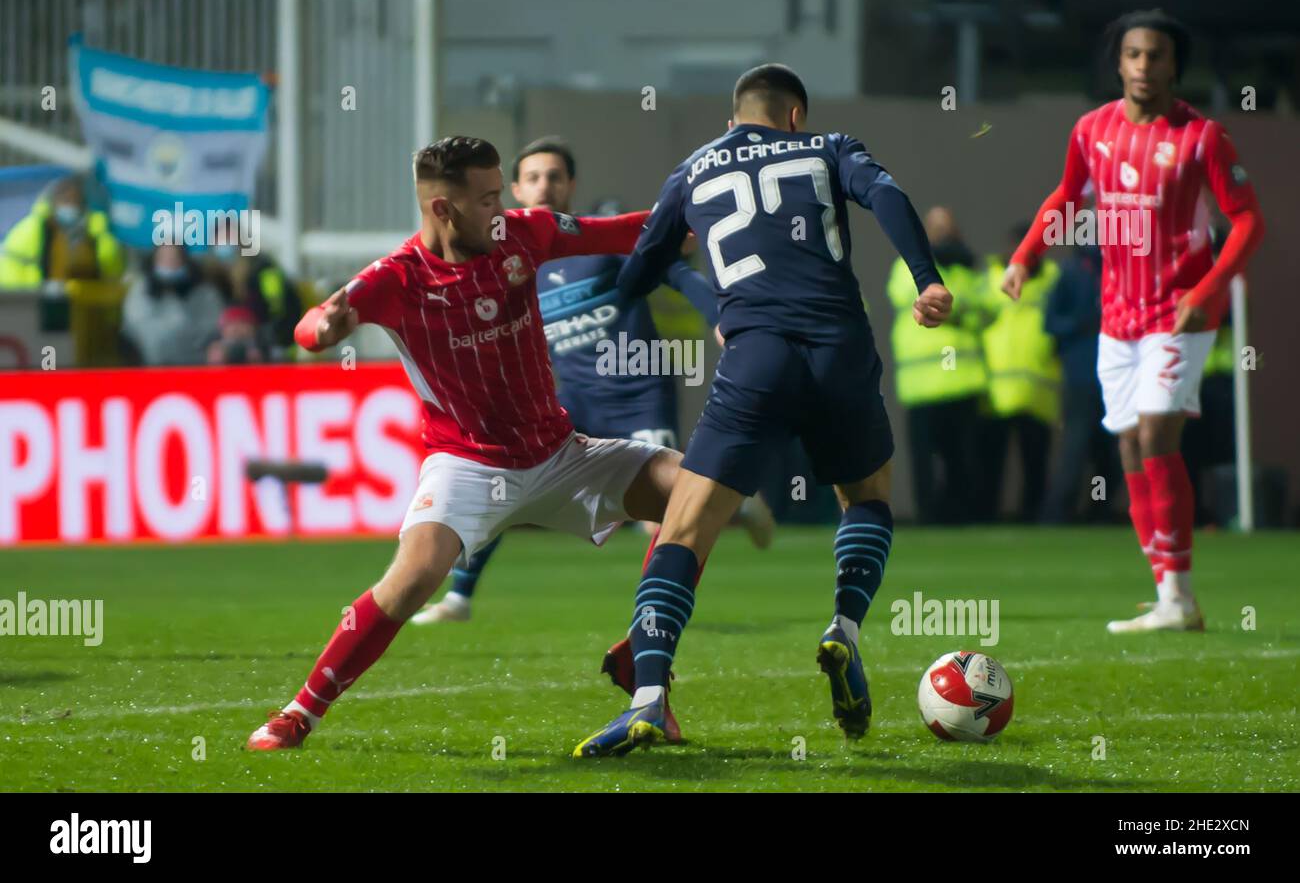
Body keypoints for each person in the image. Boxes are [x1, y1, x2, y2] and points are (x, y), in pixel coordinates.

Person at [246, 137, 689, 751]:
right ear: (443, 211)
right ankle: (299, 712)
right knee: (411, 581)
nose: (502, 208)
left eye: (500, 192)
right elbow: (314, 326)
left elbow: (615, 231)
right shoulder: (396, 278)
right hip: (469, 464)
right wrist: (324, 325)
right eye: (487, 199)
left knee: (699, 492)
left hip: (562, 453)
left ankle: (645, 660)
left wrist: (690, 218)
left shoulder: (522, 234)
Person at [574, 64, 951, 757]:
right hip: (839, 347)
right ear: (794, 115)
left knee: (684, 527)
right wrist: (927, 280)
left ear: (731, 121)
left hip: (757, 357)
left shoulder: (692, 169)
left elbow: (640, 271)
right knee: (865, 495)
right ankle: (845, 625)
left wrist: (694, 289)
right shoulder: (830, 146)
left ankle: (650, 696)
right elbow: (888, 194)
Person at [413, 137, 775, 626]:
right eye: (534, 177)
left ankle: (664, 601)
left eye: (555, 177)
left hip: (638, 397)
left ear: (571, 186)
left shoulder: (598, 244)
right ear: (515, 189)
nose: (545, 186)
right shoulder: (506, 263)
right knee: (500, 483)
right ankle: (458, 599)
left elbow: (674, 271)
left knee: (660, 515)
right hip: (572, 403)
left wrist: (723, 318)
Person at [1003, 10, 1266, 633]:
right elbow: (1067, 197)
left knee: (1154, 433)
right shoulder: (1092, 129)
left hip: (1179, 311)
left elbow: (1248, 220)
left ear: (1176, 65)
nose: (1145, 66)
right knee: (1126, 441)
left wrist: (1209, 288)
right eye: (1134, 55)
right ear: (1118, 63)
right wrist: (1025, 257)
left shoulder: (1203, 137)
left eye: (1157, 55)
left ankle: (1178, 593)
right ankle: (1170, 595)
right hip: (1116, 315)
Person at [886, 207, 986, 524]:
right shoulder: (908, 265)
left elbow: (984, 307)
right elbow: (910, 295)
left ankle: (962, 514)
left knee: (962, 459)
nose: (942, 235)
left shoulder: (967, 270)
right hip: (923, 386)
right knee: (925, 461)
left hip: (962, 382)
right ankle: (929, 517)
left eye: (947, 228)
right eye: (935, 229)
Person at [978, 229, 1062, 523]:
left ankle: (1033, 515)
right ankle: (987, 514)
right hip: (997, 390)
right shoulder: (989, 279)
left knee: (1035, 462)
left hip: (1036, 389)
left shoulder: (1054, 280)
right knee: (992, 462)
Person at [1039, 240, 1123, 523]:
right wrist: (1081, 323)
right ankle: (1058, 514)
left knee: (1109, 448)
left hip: (1115, 375)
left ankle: (1099, 508)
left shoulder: (1122, 271)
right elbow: (1051, 322)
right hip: (1081, 374)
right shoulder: (1072, 271)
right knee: (1075, 445)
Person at [0, 174, 123, 288]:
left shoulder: (99, 233)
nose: (69, 205)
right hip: (36, 302)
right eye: (64, 199)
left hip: (85, 302)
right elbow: (10, 275)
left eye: (74, 200)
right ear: (52, 201)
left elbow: (113, 271)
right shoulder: (29, 231)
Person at [120, 242, 225, 366]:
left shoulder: (203, 291)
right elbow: (135, 325)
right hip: (152, 365)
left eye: (174, 257)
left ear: (184, 259)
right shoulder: (142, 289)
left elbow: (213, 324)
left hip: (195, 364)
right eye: (164, 258)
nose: (169, 262)